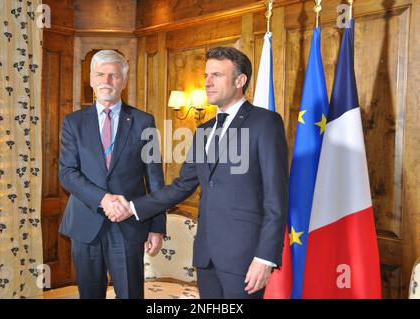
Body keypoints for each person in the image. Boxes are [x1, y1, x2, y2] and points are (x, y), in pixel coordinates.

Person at [107, 47, 288, 299]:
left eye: (216, 75)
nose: (207, 82)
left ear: (240, 80)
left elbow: (276, 197)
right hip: (206, 256)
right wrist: (134, 207)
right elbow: (182, 186)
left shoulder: (265, 123)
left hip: (245, 256)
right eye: (206, 75)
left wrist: (265, 257)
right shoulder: (204, 130)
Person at [58, 50, 165, 299]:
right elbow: (67, 173)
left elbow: (155, 177)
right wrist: (104, 199)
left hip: (129, 226)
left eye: (113, 75)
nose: (106, 80)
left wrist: (157, 227)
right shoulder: (73, 122)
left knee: (130, 294)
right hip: (85, 223)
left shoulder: (143, 121)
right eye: (100, 75)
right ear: (92, 80)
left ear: (123, 81)